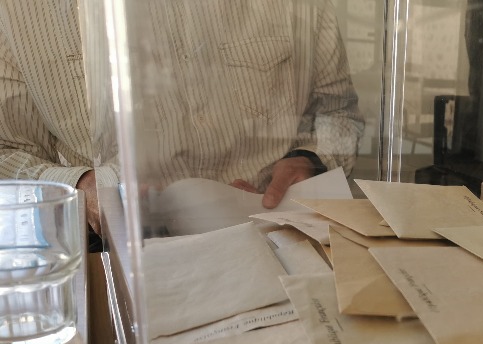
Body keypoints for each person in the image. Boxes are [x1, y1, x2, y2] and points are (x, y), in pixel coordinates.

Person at [0, 0, 364, 235]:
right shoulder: (16, 14)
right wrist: (81, 187)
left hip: (281, 229)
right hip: (127, 249)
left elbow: (338, 114)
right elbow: (7, 154)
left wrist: (311, 159)